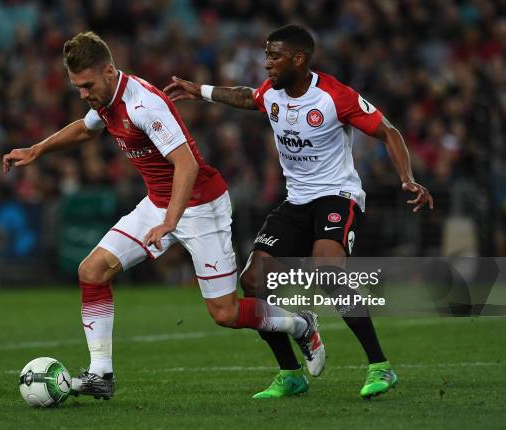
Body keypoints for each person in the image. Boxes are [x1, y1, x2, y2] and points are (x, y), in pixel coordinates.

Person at [2, 31, 325, 400]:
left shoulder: (144, 105)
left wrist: (171, 222)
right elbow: (86, 129)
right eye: (77, 87)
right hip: (159, 204)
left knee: (225, 313)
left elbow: (185, 164)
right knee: (91, 271)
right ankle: (100, 374)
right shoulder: (106, 99)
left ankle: (301, 324)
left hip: (202, 206)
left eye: (86, 85)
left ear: (109, 71)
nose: (82, 94)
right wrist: (36, 150)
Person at [165, 24, 434, 399]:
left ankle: (380, 367)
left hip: (337, 196)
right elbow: (248, 97)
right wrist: (202, 92)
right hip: (296, 200)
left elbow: (388, 131)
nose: (266, 64)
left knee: (327, 272)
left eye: (274, 57)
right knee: (254, 281)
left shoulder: (334, 96)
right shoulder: (272, 94)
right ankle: (291, 374)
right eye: (266, 56)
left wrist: (407, 178)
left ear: (299, 59)